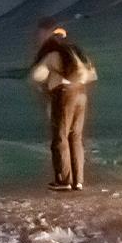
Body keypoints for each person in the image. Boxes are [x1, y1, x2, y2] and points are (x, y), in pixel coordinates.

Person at [28, 27, 97, 191]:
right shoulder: (79, 53)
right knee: (76, 137)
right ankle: (78, 180)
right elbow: (91, 74)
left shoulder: (53, 54)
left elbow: (36, 75)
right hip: (81, 93)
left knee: (61, 137)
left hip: (64, 95)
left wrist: (51, 78)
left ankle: (64, 179)